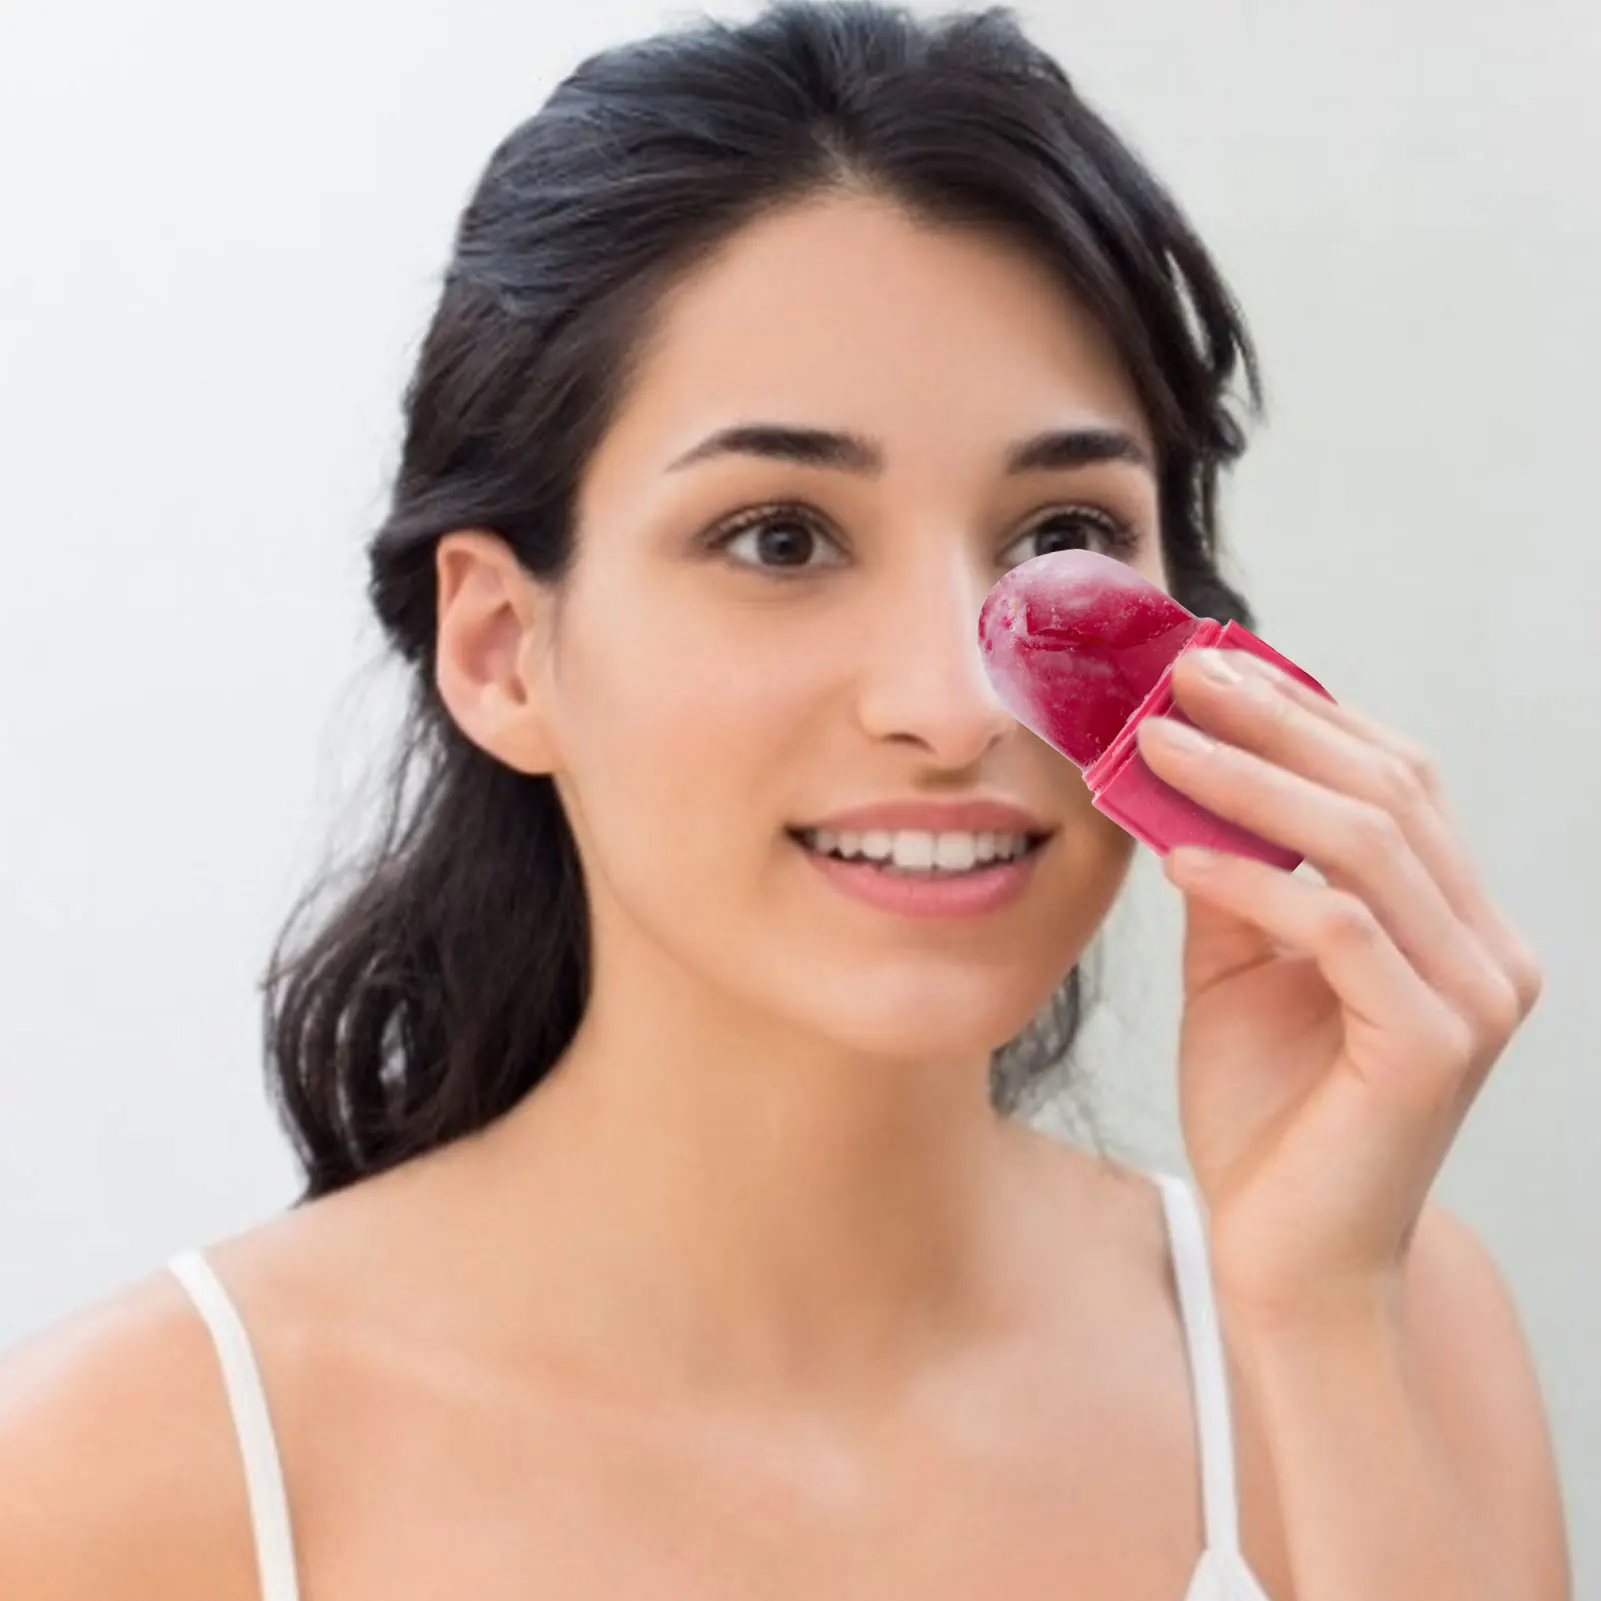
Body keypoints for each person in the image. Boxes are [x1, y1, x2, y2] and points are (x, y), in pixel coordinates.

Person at [0, 3, 1570, 1597]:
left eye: (1062, 539)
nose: (957, 702)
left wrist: (1317, 1321)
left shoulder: (1388, 1331)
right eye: (780, 538)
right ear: (502, 651)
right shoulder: (120, 1479)